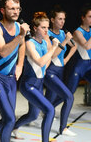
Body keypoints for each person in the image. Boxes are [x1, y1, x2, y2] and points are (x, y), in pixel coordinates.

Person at [0, 0, 29, 142]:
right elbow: (3, 51)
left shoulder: (18, 27)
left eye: (18, 8)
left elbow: (22, 45)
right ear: (3, 10)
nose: (16, 11)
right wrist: (20, 36)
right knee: (10, 119)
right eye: (12, 8)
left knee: (7, 118)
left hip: (11, 79)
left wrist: (20, 65)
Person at [12, 12, 59, 142]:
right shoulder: (29, 43)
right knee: (49, 110)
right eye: (43, 27)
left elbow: (48, 59)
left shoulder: (44, 43)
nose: (46, 30)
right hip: (28, 85)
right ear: (35, 28)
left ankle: (13, 127)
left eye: (47, 27)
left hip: (38, 84)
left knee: (33, 115)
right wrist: (53, 47)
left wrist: (44, 68)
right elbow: (39, 61)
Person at [65, 4, 91, 127]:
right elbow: (87, 46)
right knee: (68, 92)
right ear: (83, 18)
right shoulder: (78, 32)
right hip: (78, 66)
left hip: (90, 65)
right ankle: (49, 110)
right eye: (89, 16)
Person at [43, 5, 77, 136]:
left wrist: (67, 59)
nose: (62, 22)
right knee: (69, 97)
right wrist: (66, 40)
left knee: (49, 103)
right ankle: (63, 128)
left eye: (63, 19)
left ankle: (32, 117)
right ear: (52, 20)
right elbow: (53, 55)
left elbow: (74, 47)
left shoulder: (63, 33)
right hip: (50, 71)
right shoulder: (48, 34)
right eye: (59, 19)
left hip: (60, 71)